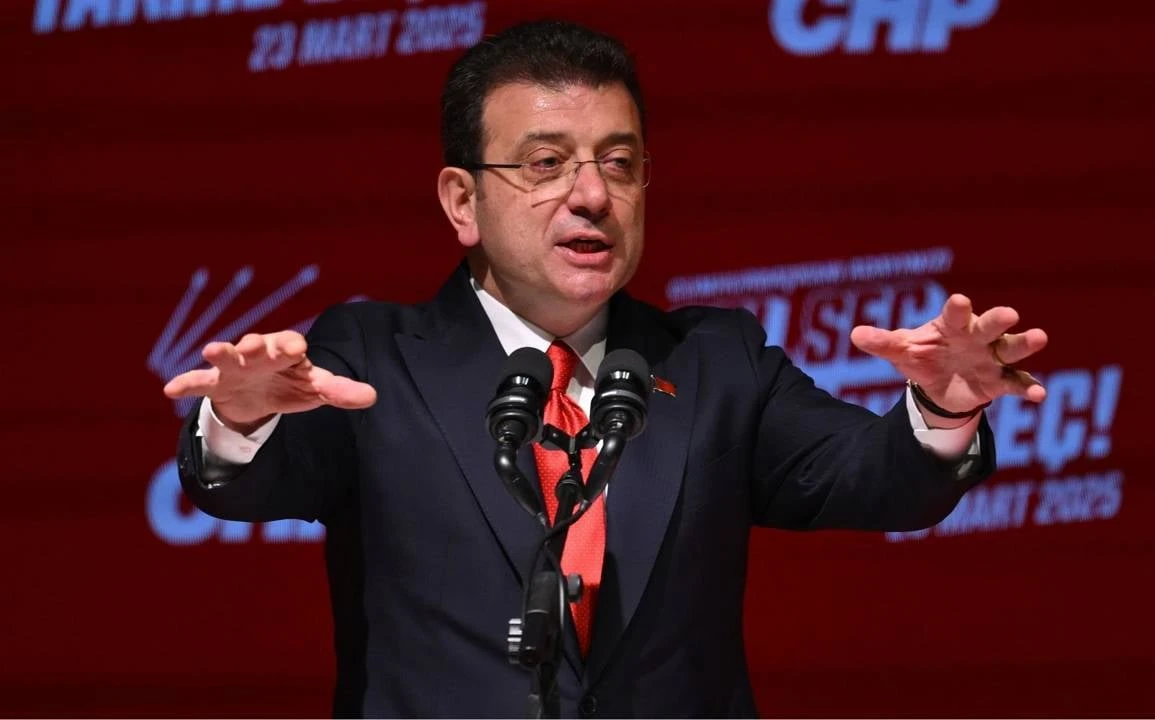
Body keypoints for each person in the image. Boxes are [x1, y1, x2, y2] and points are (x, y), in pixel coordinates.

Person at [163, 19, 1048, 718]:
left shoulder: (715, 361)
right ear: (463, 201)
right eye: (546, 164)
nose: (592, 195)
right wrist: (240, 422)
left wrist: (941, 411)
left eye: (619, 163)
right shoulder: (374, 358)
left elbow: (875, 478)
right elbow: (250, 484)